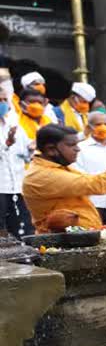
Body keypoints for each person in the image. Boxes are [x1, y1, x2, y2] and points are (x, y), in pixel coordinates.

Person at [23, 125, 106, 232]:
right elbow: (97, 184)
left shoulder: (57, 168)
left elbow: (97, 181)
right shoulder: (42, 176)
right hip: (61, 244)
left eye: (77, 144)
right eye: (71, 145)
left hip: (79, 238)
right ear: (51, 149)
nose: (77, 149)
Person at [73, 111, 106, 224]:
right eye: (98, 124)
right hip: (93, 202)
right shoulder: (80, 148)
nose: (103, 128)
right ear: (89, 127)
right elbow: (79, 175)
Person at [0, 88, 34, 238]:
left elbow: (26, 154)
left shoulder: (13, 125)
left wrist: (32, 148)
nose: (2, 104)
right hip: (1, 188)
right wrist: (6, 143)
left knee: (24, 233)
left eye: (4, 100)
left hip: (18, 188)